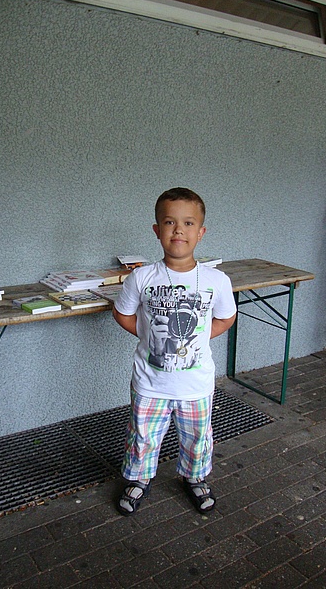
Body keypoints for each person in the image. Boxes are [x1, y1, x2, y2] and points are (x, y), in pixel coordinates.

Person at [113, 187, 237, 516]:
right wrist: (148, 336)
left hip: (196, 384)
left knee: (197, 437)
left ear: (201, 232)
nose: (178, 230)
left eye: (188, 223)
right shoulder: (141, 277)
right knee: (143, 436)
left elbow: (227, 317)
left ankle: (194, 477)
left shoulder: (217, 280)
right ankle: (139, 479)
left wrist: (199, 338)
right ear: (157, 230)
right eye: (169, 222)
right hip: (150, 383)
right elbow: (122, 313)